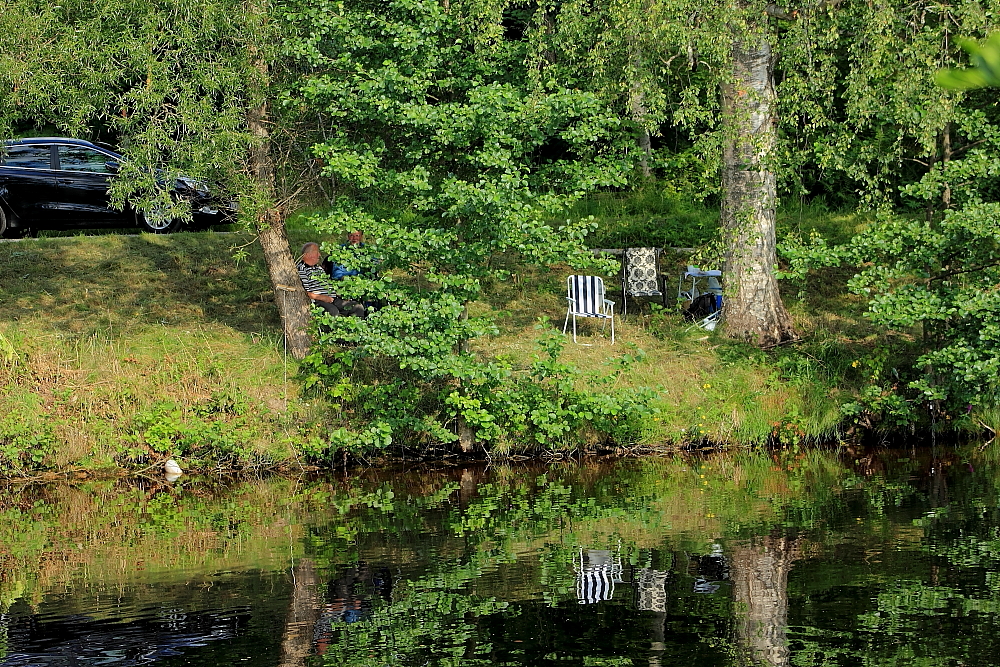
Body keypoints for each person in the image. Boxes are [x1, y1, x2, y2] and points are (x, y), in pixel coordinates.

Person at [297, 242, 366, 318]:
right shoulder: (302, 269)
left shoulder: (318, 268)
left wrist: (341, 295)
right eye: (317, 252)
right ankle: (330, 330)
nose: (319, 255)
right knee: (332, 311)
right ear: (308, 254)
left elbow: (328, 284)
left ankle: (355, 328)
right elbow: (305, 293)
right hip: (318, 301)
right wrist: (322, 297)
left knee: (357, 307)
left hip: (332, 298)